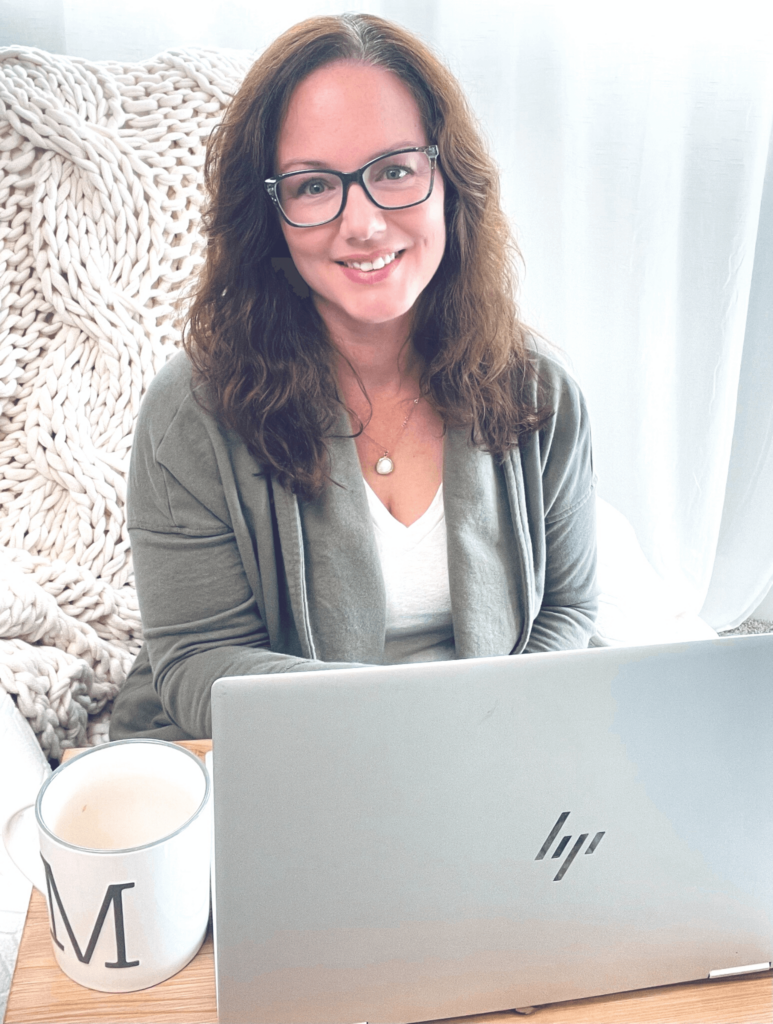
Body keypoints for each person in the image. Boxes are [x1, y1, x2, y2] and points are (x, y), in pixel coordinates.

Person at [110, 13, 598, 741]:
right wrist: (408, 726)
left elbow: (568, 612)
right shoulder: (189, 411)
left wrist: (493, 734)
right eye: (312, 187)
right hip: (281, 753)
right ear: (268, 215)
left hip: (489, 743)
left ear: (448, 178)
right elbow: (195, 662)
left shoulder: (541, 390)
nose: (363, 223)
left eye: (394, 170)